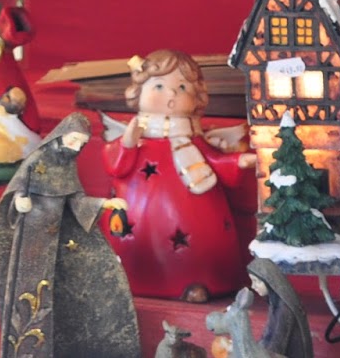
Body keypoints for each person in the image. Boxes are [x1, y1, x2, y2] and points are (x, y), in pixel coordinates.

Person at [104, 49, 256, 301]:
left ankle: (196, 283)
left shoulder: (194, 143)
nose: (172, 93)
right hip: (137, 225)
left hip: (194, 219)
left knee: (200, 246)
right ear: (138, 92)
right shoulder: (136, 138)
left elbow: (214, 161)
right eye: (159, 86)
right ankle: (128, 279)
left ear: (197, 98)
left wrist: (239, 161)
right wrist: (127, 144)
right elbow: (116, 167)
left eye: (183, 87)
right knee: (129, 242)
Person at [0, 114, 138, 358]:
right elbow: (17, 191)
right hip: (30, 239)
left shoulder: (68, 166)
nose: (76, 147)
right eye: (74, 140)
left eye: (82, 144)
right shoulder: (37, 160)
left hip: (56, 237)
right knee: (29, 295)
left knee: (54, 293)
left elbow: (76, 201)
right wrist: (19, 202)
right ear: (61, 135)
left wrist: (105, 204)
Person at [246, 257, 312, 358]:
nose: (253, 286)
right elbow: (269, 334)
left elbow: (277, 347)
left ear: (268, 280)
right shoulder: (275, 300)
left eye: (256, 281)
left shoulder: (284, 308)